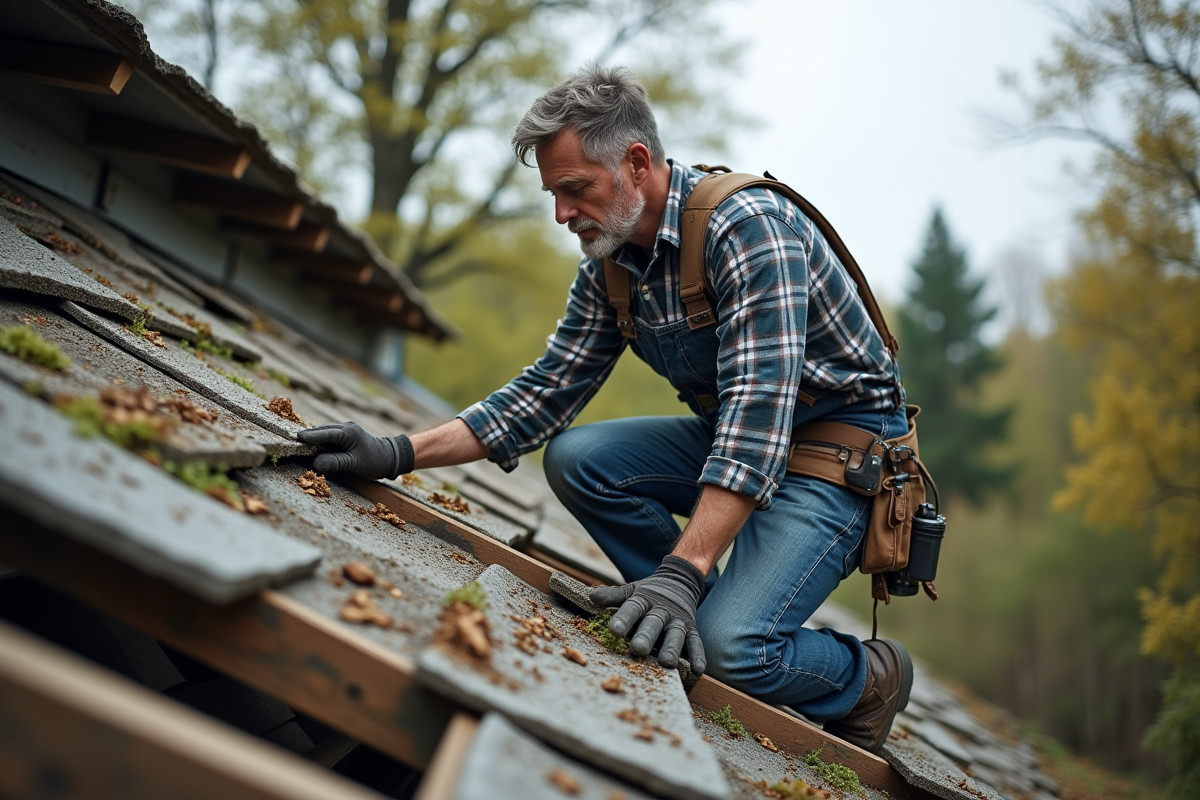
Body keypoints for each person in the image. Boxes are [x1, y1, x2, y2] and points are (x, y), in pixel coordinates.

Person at [298, 64, 913, 754]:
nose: (562, 214)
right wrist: (398, 453)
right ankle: (688, 609)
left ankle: (866, 676)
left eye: (575, 189)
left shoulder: (750, 230)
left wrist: (680, 573)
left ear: (637, 164)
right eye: (553, 195)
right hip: (741, 439)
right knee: (581, 459)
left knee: (734, 651)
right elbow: (544, 392)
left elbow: (756, 417)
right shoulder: (611, 264)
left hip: (840, 456)